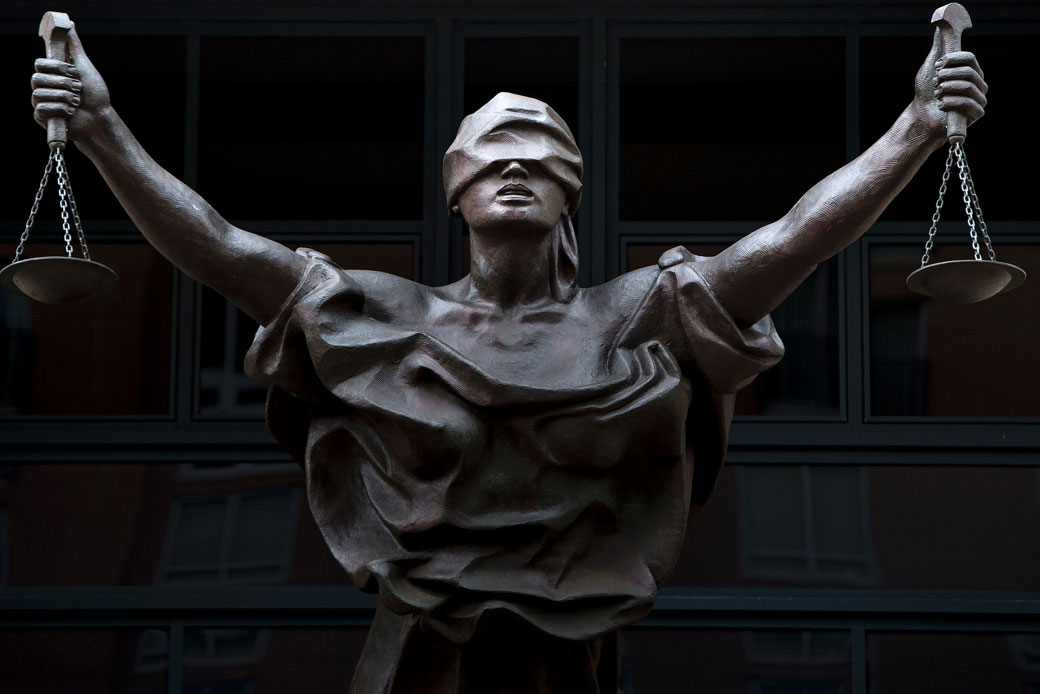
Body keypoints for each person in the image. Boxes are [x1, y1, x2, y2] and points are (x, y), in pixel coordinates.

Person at [32, 24, 986, 694]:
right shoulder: (382, 318)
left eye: (538, 157)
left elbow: (791, 243)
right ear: (459, 194)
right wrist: (104, 129)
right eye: (492, 158)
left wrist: (912, 127)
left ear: (569, 191)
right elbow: (216, 246)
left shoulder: (639, 316)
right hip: (414, 654)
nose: (516, 169)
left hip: (569, 657)